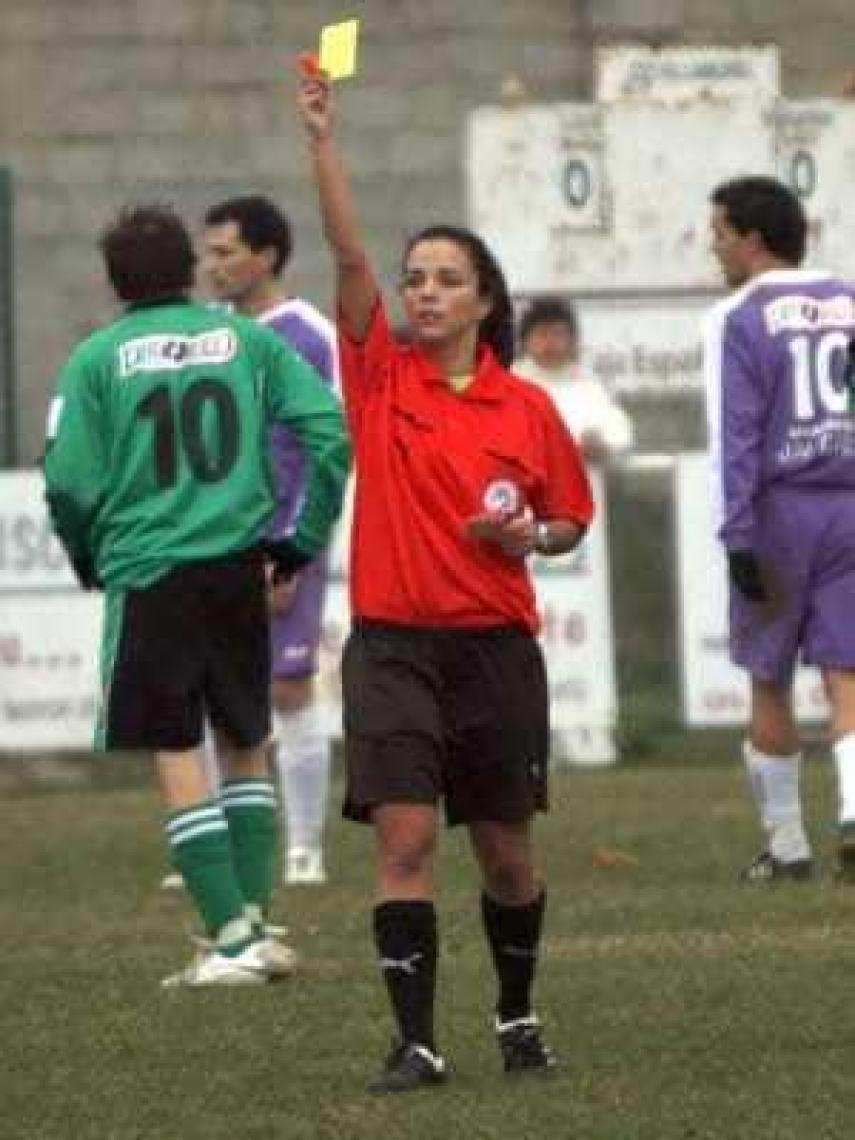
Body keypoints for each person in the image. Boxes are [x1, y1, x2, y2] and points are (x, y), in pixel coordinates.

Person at [295, 68, 594, 1093]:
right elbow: (345, 250)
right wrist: (323, 138)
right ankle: (415, 1042)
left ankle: (517, 1016)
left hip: (495, 650)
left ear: (486, 301)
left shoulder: (527, 409)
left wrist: (529, 540)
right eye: (416, 275)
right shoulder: (380, 372)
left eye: (445, 278)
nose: (422, 289)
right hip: (390, 645)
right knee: (408, 836)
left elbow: (566, 522)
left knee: (508, 859)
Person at [42, 204, 350, 985]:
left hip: (153, 570)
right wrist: (302, 538)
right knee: (246, 738)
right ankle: (252, 924)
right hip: (238, 566)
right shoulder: (249, 342)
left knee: (177, 744)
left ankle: (235, 943)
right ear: (188, 269)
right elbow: (330, 437)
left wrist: (85, 549)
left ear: (114, 281)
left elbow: (71, 482)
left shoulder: (97, 359)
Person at [705, 175, 855, 882]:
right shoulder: (851, 301)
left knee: (767, 678)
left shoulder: (739, 316)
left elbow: (733, 433)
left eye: (720, 234)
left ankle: (787, 845)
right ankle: (854, 810)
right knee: (846, 669)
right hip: (849, 502)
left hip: (778, 510)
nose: (714, 248)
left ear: (752, 240)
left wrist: (735, 535)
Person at [201, 193, 339, 885]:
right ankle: (225, 839)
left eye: (225, 252)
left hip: (285, 544)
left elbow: (322, 448)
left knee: (288, 688)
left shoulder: (308, 335)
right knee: (215, 691)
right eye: (210, 251)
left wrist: (290, 549)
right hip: (211, 543)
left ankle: (304, 844)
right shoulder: (206, 332)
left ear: (267, 256)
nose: (212, 265)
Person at [513, 296, 634, 464]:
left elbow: (620, 435)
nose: (550, 343)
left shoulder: (590, 387)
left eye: (558, 334)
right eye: (542, 334)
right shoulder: (508, 384)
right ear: (525, 342)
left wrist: (600, 444)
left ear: (572, 341)